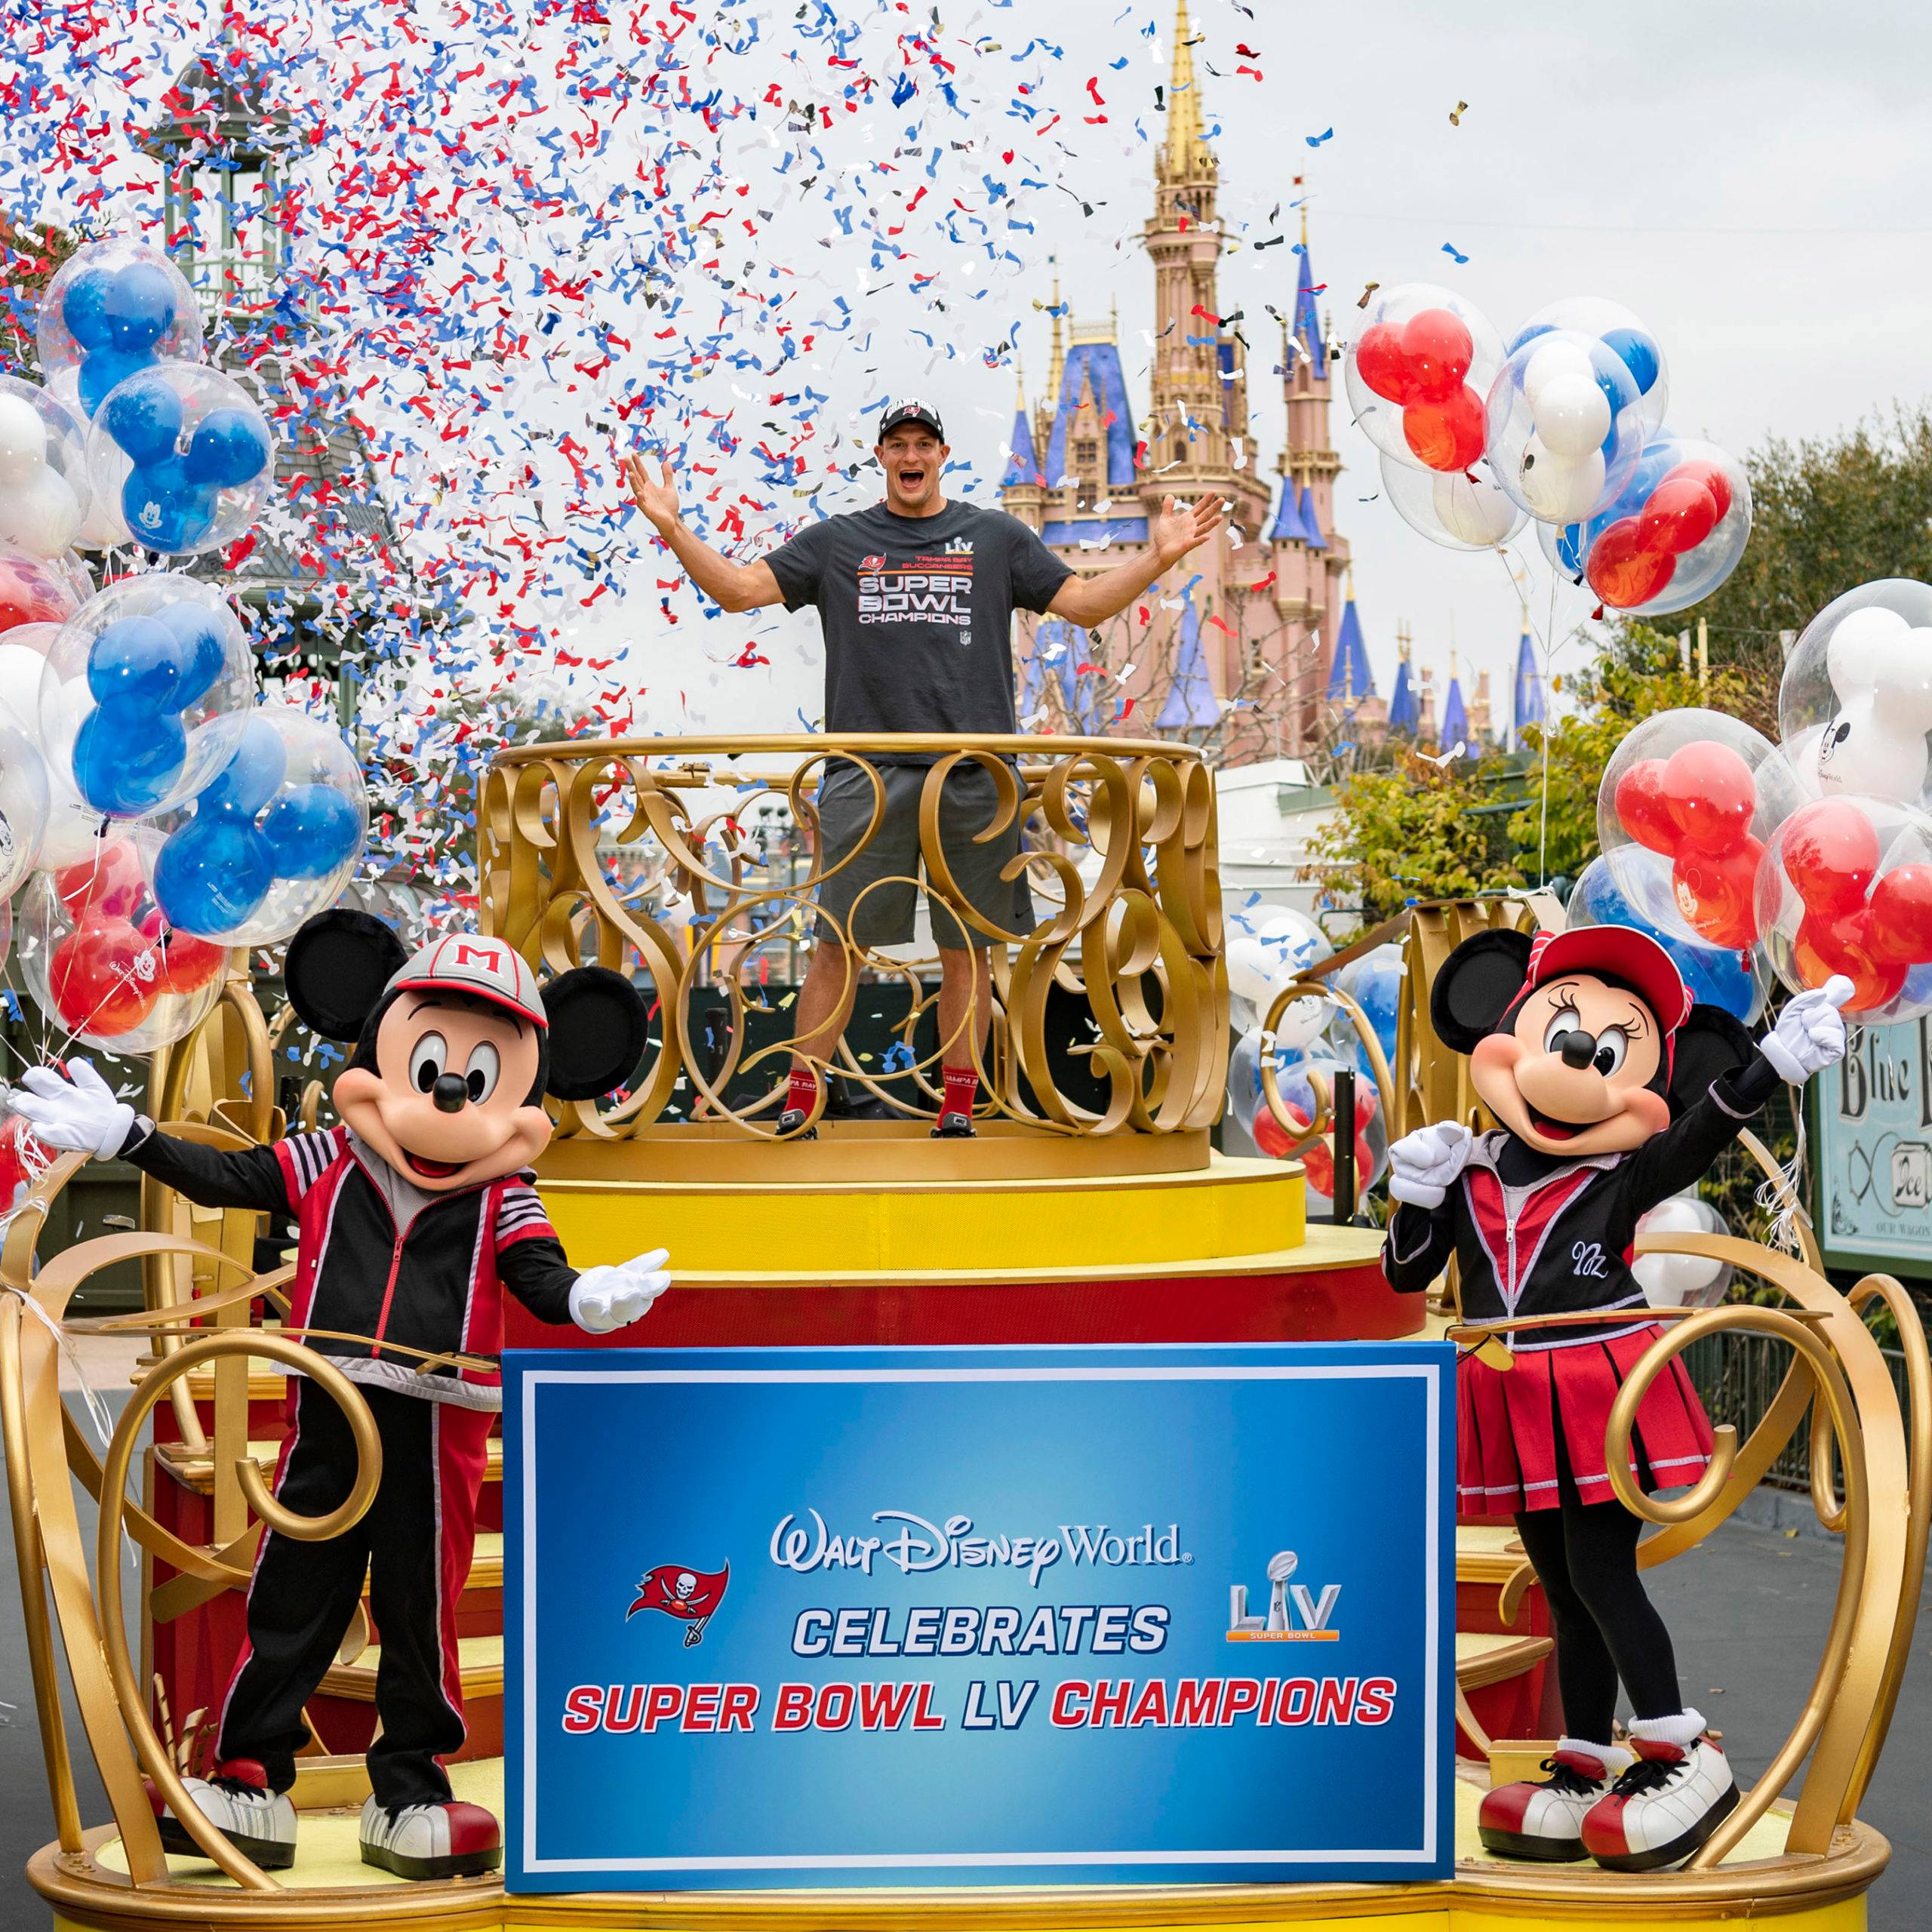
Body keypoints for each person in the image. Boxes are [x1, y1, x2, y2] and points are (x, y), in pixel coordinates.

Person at [8, 913, 672, 1881]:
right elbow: (231, 1175)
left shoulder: (504, 1197)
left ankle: (410, 1790)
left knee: (417, 1606)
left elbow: (538, 1275)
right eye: (433, 1060)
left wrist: (583, 1297)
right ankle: (246, 1781)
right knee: (295, 1589)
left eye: (479, 1075)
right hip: (329, 1404)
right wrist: (133, 1136)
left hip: (435, 1420)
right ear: (385, 1041)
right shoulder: (330, 1160)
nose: (448, 1090)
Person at [1381, 926, 1850, 1873]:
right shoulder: (1468, 1167)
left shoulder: (1622, 1173)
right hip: (1513, 1397)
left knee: (1600, 1574)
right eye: (1557, 1032)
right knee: (1560, 1583)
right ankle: (1586, 1759)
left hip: (1600, 1392)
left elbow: (1703, 1130)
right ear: (1500, 1023)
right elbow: (1407, 1273)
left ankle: (1679, 1746)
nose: (1573, 1064)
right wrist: (1412, 1197)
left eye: (1610, 1052)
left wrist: (1767, 1065)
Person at [626, 398, 1224, 1138]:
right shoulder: (840, 543)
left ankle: (957, 1103)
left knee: (965, 945)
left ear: (942, 455)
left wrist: (1159, 556)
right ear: (882, 456)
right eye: (898, 444)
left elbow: (1083, 604)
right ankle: (802, 1097)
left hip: (974, 775)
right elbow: (738, 589)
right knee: (836, 943)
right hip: (865, 775)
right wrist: (673, 528)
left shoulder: (996, 538)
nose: (911, 456)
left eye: (924, 444)